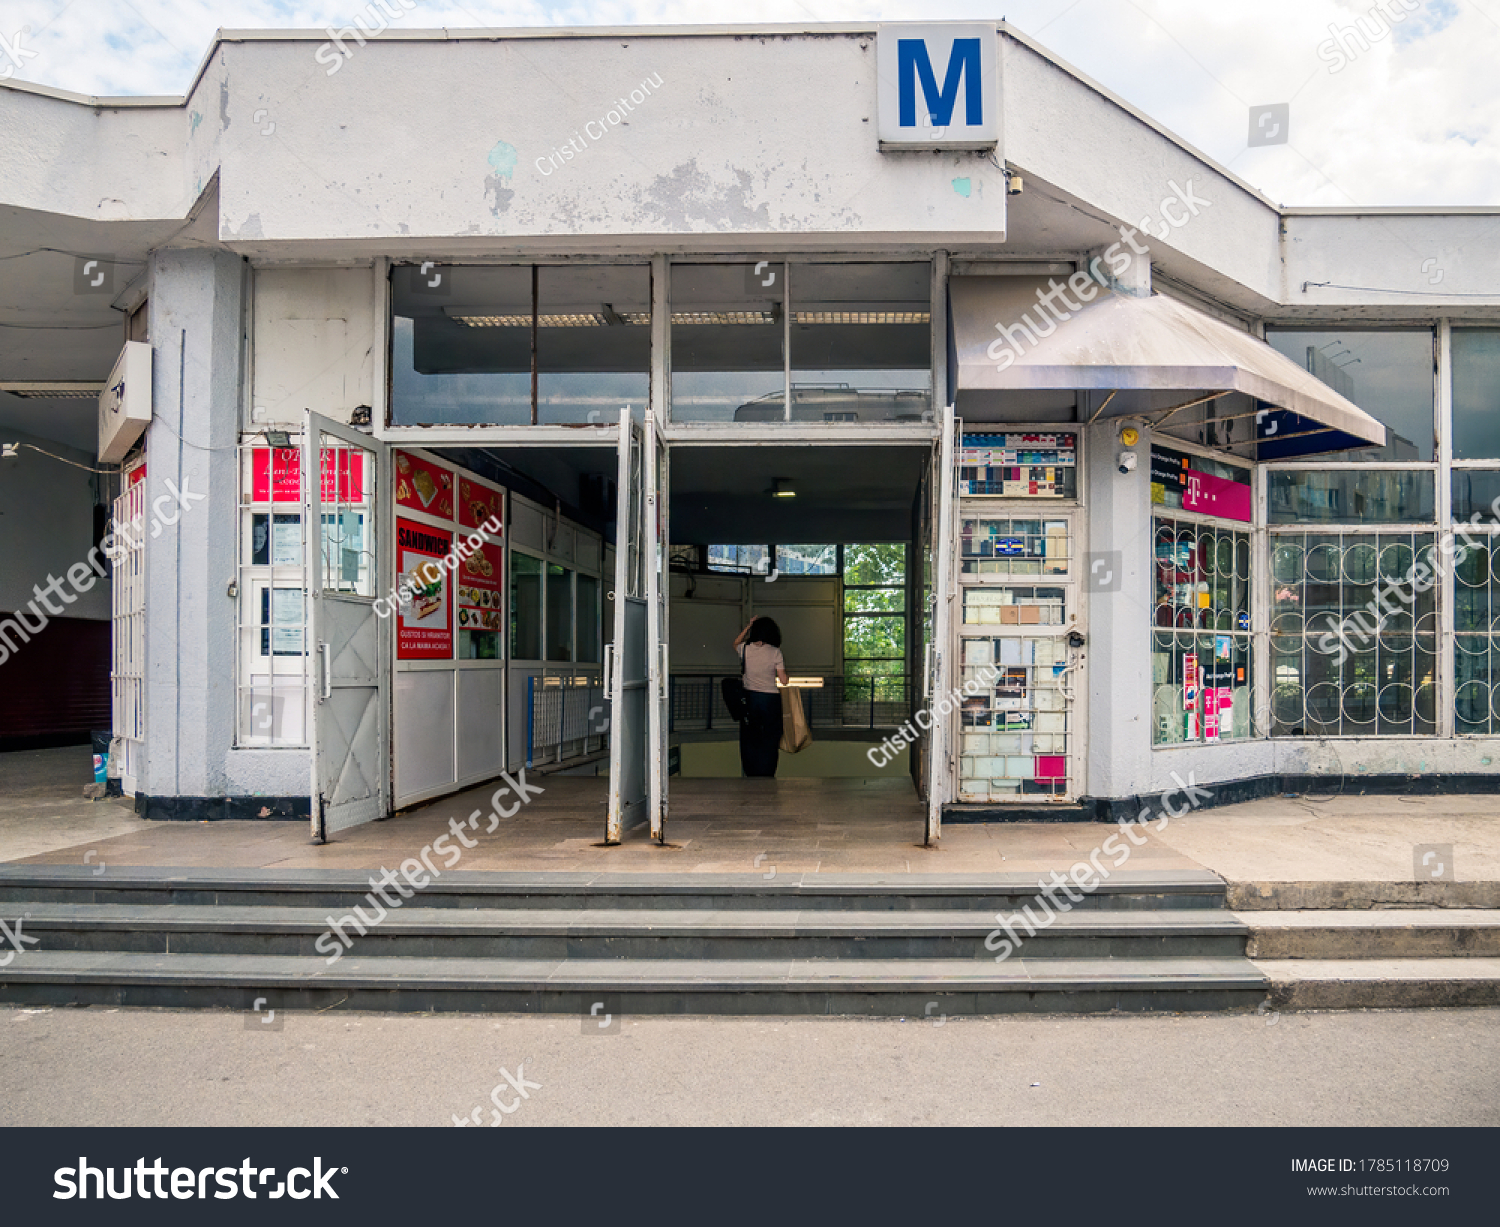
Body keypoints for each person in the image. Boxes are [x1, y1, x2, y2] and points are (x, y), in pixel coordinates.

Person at [733, 616, 788, 777]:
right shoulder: (775, 652)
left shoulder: (745, 649)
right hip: (770, 699)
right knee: (770, 739)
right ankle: (767, 772)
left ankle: (751, 772)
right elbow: (783, 681)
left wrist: (747, 627)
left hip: (750, 699)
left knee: (751, 738)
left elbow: (735, 643)